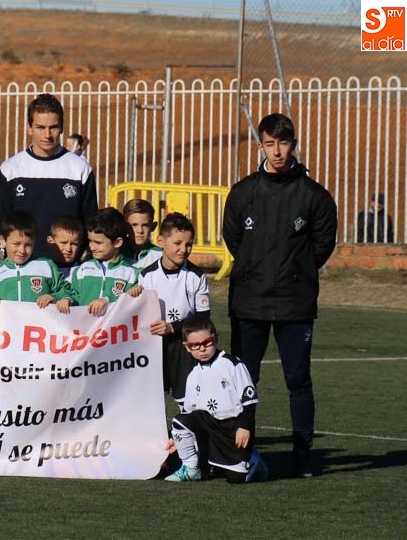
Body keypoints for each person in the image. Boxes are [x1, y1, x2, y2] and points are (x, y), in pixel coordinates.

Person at [223, 113, 337, 478]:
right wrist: (256, 269)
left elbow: (322, 247)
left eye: (283, 143)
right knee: (245, 380)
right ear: (261, 146)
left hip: (294, 302)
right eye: (270, 144)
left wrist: (295, 273)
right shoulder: (243, 192)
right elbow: (234, 239)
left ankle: (303, 457)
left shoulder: (314, 196)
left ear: (293, 144)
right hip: (250, 300)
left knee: (298, 379)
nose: (277, 151)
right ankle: (245, 453)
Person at [0, 93, 97, 259]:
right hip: (23, 268)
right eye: (40, 127)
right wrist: (9, 254)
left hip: (66, 270)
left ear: (61, 127)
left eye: (53, 127)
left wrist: (80, 256)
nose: (47, 134)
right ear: (29, 128)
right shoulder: (11, 169)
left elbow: (89, 219)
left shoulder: (79, 169)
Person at [165, 317, 267, 483]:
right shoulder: (193, 375)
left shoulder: (231, 364)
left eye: (207, 342)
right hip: (209, 427)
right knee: (180, 420)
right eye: (195, 345)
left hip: (233, 428)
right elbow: (189, 413)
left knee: (236, 479)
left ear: (215, 338)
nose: (202, 349)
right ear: (187, 348)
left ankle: (253, 460)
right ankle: (191, 469)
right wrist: (177, 438)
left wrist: (245, 427)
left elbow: (250, 400)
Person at [139, 213, 211, 403]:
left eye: (188, 244)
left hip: (185, 345)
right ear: (161, 241)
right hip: (155, 345)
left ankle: (189, 433)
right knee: (156, 399)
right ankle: (160, 434)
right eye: (177, 243)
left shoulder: (196, 275)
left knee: (188, 398)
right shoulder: (147, 276)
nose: (183, 249)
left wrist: (173, 327)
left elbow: (203, 319)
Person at [0, 210, 75, 313]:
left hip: (41, 327)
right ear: (3, 241)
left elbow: (67, 291)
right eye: (16, 244)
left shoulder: (46, 266)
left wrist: (55, 297)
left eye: (28, 245)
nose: (22, 250)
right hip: (9, 328)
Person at [69, 208, 141, 316]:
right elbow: (73, 295)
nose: (91, 247)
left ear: (117, 242)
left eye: (98, 242)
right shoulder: (81, 270)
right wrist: (66, 299)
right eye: (90, 241)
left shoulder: (132, 274)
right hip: (85, 330)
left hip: (115, 331)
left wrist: (108, 300)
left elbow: (133, 305)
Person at [123, 198, 162, 269]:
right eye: (134, 225)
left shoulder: (161, 256)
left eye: (145, 225)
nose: (140, 231)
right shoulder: (115, 253)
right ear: (124, 226)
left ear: (153, 226)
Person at [46, 215, 85, 280]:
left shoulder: (84, 272)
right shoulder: (41, 270)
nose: (68, 249)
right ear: (50, 241)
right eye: (63, 243)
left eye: (74, 244)